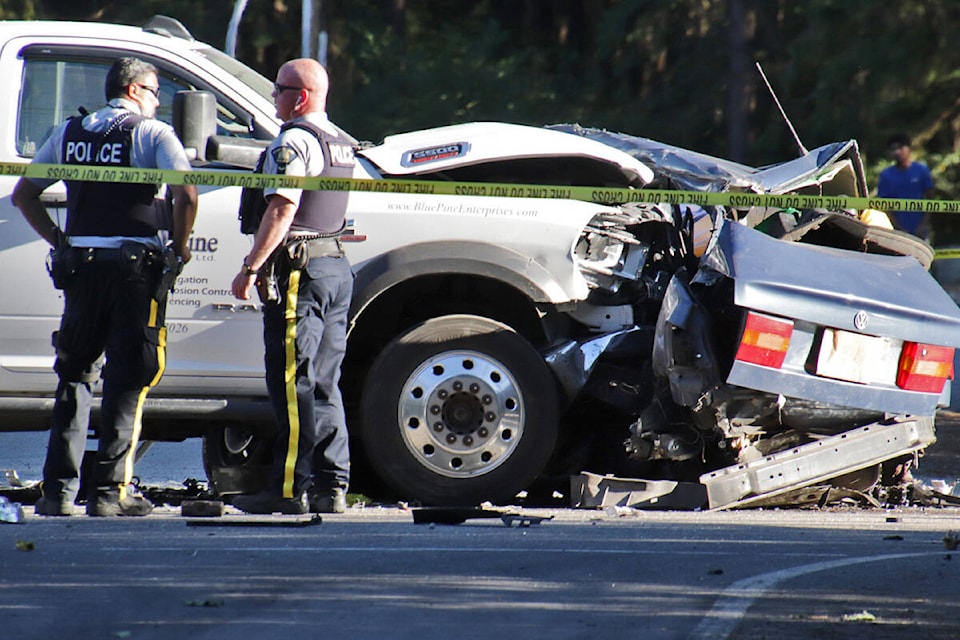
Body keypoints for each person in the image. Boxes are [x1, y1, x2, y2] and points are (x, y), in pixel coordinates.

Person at [12, 57, 198, 516]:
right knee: (128, 376)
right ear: (135, 91)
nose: (158, 102)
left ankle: (57, 494)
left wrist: (60, 240)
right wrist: (181, 245)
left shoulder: (69, 132)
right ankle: (109, 494)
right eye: (156, 92)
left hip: (81, 267)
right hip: (133, 270)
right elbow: (187, 193)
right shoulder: (151, 134)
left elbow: (24, 194)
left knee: (75, 375)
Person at [231, 58, 355, 515]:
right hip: (333, 268)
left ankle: (287, 489)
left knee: (292, 383)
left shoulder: (297, 140)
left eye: (278, 89)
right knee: (324, 381)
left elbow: (283, 208)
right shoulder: (340, 140)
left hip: (300, 272)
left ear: (299, 97)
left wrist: (251, 266)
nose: (273, 97)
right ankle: (331, 485)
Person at [876, 133, 935, 239]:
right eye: (893, 149)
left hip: (921, 231)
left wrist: (923, 224)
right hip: (897, 233)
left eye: (900, 148)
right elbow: (884, 205)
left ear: (909, 148)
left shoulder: (921, 170)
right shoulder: (886, 175)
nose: (896, 152)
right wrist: (898, 228)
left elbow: (931, 199)